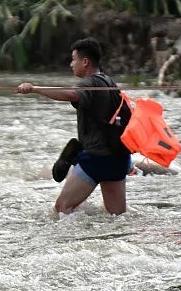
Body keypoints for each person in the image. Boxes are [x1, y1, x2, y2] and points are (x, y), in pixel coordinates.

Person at [15, 37, 131, 215]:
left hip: (96, 159)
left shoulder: (90, 83)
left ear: (85, 62)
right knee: (117, 216)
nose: (71, 64)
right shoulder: (110, 82)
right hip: (118, 158)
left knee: (61, 209)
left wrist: (34, 89)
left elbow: (72, 94)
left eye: (73, 59)